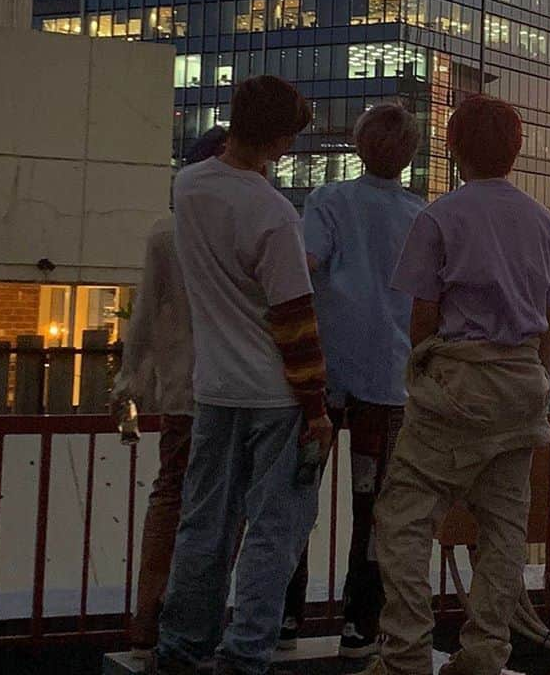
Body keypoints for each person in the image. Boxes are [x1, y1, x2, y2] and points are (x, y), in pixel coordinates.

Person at [364, 95, 550, 675]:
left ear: (453, 149)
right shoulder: (545, 225)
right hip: (523, 385)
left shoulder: (438, 218)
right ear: (517, 148)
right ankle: (484, 652)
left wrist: (426, 371)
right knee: (505, 528)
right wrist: (536, 382)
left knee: (404, 518)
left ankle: (405, 651)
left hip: (458, 380)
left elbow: (423, 316)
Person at [152, 75, 333, 675]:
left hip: (213, 388)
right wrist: (316, 409)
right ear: (280, 141)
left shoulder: (188, 187)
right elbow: (294, 321)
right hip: (275, 396)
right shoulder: (275, 214)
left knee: (204, 521)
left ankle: (181, 644)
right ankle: (246, 651)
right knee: (273, 529)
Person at [279, 103, 424, 659]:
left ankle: (285, 614)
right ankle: (360, 623)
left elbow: (305, 267)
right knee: (376, 507)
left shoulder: (329, 200)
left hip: (325, 376)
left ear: (360, 146)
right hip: (389, 381)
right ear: (408, 157)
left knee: (297, 494)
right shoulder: (420, 217)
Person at [113, 125, 228, 659]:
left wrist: (129, 383)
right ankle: (199, 612)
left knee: (172, 495)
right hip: (233, 388)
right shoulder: (237, 226)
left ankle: (149, 613)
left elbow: (142, 318)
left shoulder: (167, 233)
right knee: (224, 502)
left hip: (182, 387)